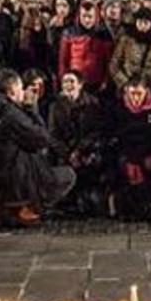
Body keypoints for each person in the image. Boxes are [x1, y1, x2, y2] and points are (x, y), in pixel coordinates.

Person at [0, 69, 75, 226]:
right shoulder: (10, 113)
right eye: (21, 89)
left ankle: (5, 208)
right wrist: (31, 108)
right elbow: (42, 138)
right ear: (12, 91)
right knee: (67, 175)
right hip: (16, 181)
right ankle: (29, 208)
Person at [49, 70, 110, 214]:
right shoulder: (55, 106)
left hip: (85, 149)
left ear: (80, 84)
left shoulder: (92, 103)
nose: (68, 85)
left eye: (72, 81)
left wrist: (79, 150)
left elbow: (95, 131)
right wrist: (67, 153)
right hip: (65, 151)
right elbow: (53, 135)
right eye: (65, 82)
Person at [111, 75, 151, 218]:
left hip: (150, 151)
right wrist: (131, 158)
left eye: (139, 94)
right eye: (132, 94)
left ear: (146, 92)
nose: (135, 98)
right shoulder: (120, 108)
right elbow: (118, 135)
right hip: (127, 152)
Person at [57, 0, 114, 92]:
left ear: (96, 17)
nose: (87, 20)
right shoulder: (69, 33)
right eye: (84, 16)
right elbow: (63, 60)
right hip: (74, 83)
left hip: (97, 83)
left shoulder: (104, 34)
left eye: (90, 17)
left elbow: (108, 61)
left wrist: (105, 81)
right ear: (79, 16)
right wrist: (64, 80)